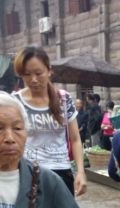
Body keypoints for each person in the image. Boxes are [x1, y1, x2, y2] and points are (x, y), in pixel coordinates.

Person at [13, 46, 87, 198]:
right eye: (27, 74)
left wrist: (80, 172)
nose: (33, 80)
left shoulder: (64, 99)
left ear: (49, 71)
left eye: (38, 73)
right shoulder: (15, 101)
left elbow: (75, 139)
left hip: (61, 171)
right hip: (28, 173)